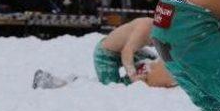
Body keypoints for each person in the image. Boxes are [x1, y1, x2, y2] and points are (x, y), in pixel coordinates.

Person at [33, 17, 177, 89]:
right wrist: (133, 76)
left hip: (123, 49)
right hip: (105, 54)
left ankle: (142, 71)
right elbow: (126, 52)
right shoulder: (145, 29)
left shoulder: (156, 29)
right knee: (113, 87)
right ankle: (58, 83)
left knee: (153, 58)